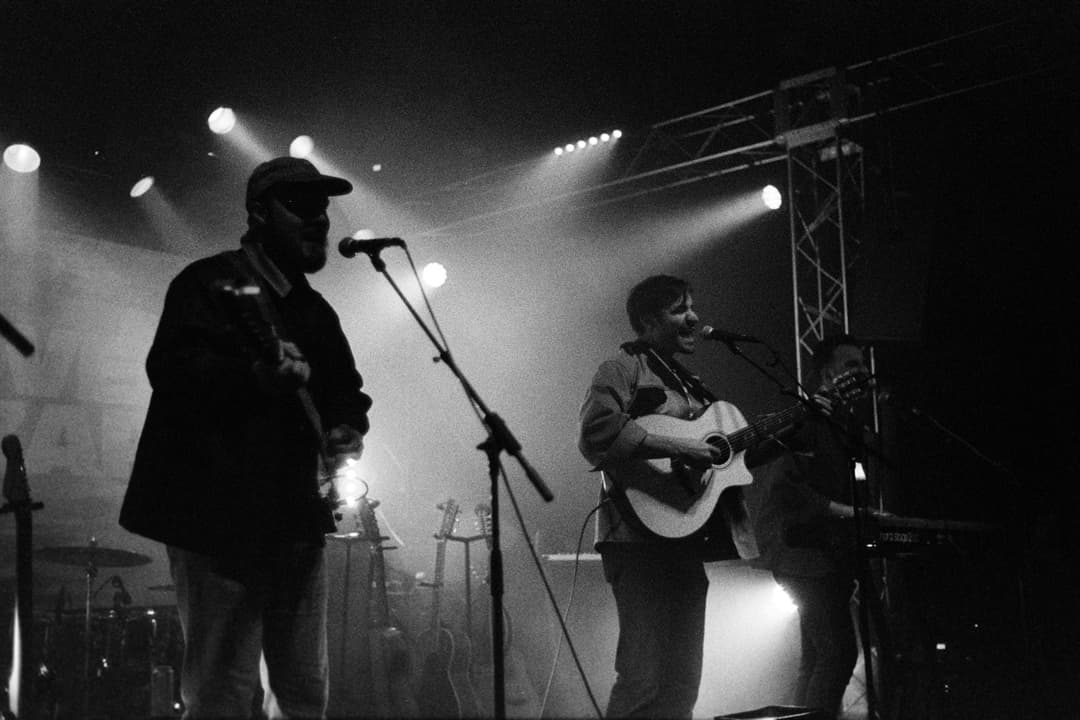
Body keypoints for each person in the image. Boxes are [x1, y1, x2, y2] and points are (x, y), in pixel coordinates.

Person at [119, 156, 373, 719]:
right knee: (225, 696)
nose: (319, 220)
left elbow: (347, 392)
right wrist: (256, 378)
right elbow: (173, 374)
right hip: (217, 523)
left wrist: (346, 427)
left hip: (295, 520)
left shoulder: (315, 311)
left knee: (305, 694)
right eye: (301, 206)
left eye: (323, 208)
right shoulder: (209, 284)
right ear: (259, 212)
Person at [577, 274, 756, 719]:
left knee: (682, 682)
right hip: (635, 541)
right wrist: (681, 447)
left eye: (692, 306)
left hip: (685, 537)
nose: (693, 316)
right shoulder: (621, 367)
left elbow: (725, 464)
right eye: (679, 309)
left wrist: (798, 424)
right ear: (646, 320)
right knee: (641, 678)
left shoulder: (689, 383)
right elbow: (597, 432)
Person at [752, 333, 887, 719]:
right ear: (828, 374)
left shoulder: (850, 428)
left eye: (863, 366)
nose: (863, 374)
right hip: (800, 553)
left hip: (828, 551)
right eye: (852, 367)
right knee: (838, 651)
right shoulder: (806, 418)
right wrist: (850, 513)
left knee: (815, 657)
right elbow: (787, 489)